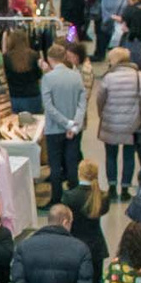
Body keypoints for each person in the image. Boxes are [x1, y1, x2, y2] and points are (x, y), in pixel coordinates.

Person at [94, 47, 141, 200]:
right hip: (133, 123)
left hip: (110, 122)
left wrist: (102, 115)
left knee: (110, 155)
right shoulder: (140, 77)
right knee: (129, 155)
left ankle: (111, 187)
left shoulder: (108, 78)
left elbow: (100, 99)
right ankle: (125, 188)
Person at [40, 44, 87, 198]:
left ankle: (56, 198)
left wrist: (65, 123)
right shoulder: (76, 75)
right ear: (65, 57)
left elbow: (48, 106)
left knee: (55, 166)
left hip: (54, 129)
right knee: (72, 163)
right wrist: (74, 124)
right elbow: (82, 103)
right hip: (74, 130)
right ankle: (74, 196)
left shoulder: (48, 78)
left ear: (49, 59)